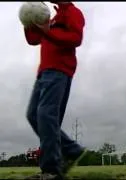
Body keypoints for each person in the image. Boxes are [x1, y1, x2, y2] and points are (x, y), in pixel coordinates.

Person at [23, 1, 87, 179]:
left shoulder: (73, 12)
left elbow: (75, 39)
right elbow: (33, 40)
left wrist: (46, 31)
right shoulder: (51, 17)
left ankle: (50, 169)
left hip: (59, 70)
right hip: (43, 73)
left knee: (45, 115)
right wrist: (28, 22)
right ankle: (72, 150)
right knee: (34, 115)